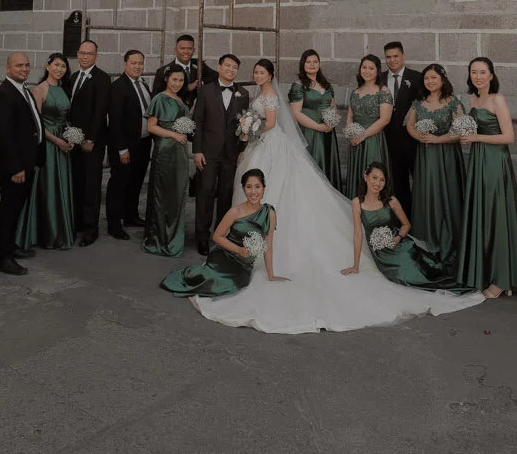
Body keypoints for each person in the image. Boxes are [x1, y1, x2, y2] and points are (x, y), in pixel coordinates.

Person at [189, 59, 484, 333]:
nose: (258, 76)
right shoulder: (251, 94)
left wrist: (250, 128)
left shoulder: (271, 96)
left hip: (270, 143)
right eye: (255, 72)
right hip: (260, 144)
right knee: (253, 191)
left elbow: (271, 122)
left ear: (271, 75)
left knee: (279, 191)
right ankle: (243, 240)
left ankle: (272, 245)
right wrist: (248, 130)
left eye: (262, 73)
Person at [456, 57, 517, 299]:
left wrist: (476, 138)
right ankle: (483, 271)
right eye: (473, 72)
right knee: (482, 213)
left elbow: (509, 137)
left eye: (482, 72)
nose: (477, 76)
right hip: (478, 160)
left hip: (495, 162)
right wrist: (467, 137)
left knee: (495, 214)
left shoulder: (497, 99)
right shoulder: (473, 99)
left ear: (491, 75)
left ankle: (501, 278)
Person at [341, 162, 469, 293]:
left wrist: (398, 237)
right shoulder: (357, 203)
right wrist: (355, 266)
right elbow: (358, 235)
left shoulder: (391, 201)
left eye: (382, 180)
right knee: (403, 275)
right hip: (382, 255)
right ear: (365, 177)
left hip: (400, 245)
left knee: (415, 267)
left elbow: (406, 225)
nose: (377, 183)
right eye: (374, 177)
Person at [160, 168, 281, 298]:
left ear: (263, 188)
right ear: (243, 189)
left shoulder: (269, 213)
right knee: (212, 278)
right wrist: (239, 250)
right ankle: (188, 276)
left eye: (257, 187)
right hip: (224, 255)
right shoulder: (235, 211)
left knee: (235, 283)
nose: (253, 192)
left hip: (243, 265)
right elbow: (217, 236)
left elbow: (268, 245)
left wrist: (271, 275)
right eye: (248, 187)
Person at [0, 52, 44, 275]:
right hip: (14, 166)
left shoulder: (24, 90)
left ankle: (10, 246)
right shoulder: (4, 94)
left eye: (27, 65)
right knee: (8, 210)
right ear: (8, 68)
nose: (24, 68)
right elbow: (5, 135)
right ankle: (3, 258)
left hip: (27, 162)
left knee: (17, 208)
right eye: (19, 65)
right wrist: (15, 168)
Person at [405, 62, 465, 263]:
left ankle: (448, 241)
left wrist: (438, 139)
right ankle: (426, 238)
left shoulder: (453, 102)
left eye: (434, 78)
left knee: (446, 193)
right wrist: (420, 137)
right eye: (426, 78)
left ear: (442, 79)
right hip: (425, 155)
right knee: (426, 192)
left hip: (447, 155)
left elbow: (460, 130)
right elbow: (410, 125)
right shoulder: (418, 102)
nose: (430, 81)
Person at [190, 54, 249, 256]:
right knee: (205, 192)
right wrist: (197, 150)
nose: (231, 70)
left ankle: (221, 235)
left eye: (235, 67)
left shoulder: (243, 93)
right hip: (208, 151)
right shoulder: (205, 90)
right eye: (227, 66)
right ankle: (202, 236)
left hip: (231, 153)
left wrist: (242, 149)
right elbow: (198, 121)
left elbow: (245, 124)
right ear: (219, 67)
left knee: (226, 194)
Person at [17, 53, 76, 251]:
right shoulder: (40, 89)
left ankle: (60, 230)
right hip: (49, 143)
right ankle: (47, 233)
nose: (60, 69)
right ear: (48, 66)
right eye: (56, 65)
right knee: (48, 184)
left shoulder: (64, 89)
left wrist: (71, 136)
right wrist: (58, 141)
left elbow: (66, 118)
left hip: (63, 142)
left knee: (61, 185)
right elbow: (37, 124)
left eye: (63, 66)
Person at [63, 40, 110, 247]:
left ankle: (91, 229)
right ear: (77, 53)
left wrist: (90, 138)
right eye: (82, 53)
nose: (85, 57)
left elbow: (100, 110)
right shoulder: (73, 77)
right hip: (73, 139)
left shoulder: (102, 78)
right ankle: (77, 223)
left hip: (92, 141)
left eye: (89, 54)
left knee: (91, 184)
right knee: (77, 181)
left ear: (96, 56)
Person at [143, 64, 193, 257]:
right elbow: (151, 127)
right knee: (163, 193)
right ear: (166, 79)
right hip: (165, 150)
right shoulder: (159, 99)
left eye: (181, 80)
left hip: (180, 151)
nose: (177, 84)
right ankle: (161, 238)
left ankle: (173, 236)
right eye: (174, 80)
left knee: (177, 193)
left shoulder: (181, 99)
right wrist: (174, 134)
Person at [289, 49, 346, 193]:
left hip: (327, 133)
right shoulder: (299, 86)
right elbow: (296, 113)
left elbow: (333, 106)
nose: (312, 64)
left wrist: (331, 123)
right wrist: (318, 126)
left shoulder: (326, 85)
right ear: (303, 64)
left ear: (319, 64)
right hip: (310, 133)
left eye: (315, 61)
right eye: (308, 62)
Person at [106, 49, 149, 240]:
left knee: (136, 181)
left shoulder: (143, 84)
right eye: (134, 63)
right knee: (119, 184)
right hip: (125, 146)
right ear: (125, 64)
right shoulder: (118, 86)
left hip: (143, 142)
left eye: (140, 63)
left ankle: (131, 215)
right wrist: (122, 149)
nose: (138, 66)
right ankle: (114, 224)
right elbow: (114, 121)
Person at [382, 41, 422, 218]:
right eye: (388, 57)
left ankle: (420, 219)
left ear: (403, 56)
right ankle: (403, 221)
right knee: (398, 184)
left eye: (395, 56)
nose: (392, 60)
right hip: (389, 141)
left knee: (419, 181)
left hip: (412, 141)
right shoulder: (379, 79)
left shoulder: (417, 78)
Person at [346, 54, 394, 196]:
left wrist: (363, 135)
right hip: (356, 141)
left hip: (373, 139)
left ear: (377, 71)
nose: (367, 71)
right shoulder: (355, 91)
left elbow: (385, 119)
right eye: (364, 67)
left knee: (373, 176)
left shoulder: (383, 91)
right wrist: (351, 133)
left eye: (371, 68)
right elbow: (350, 116)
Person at [151, 33, 215, 107]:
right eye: (182, 48)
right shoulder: (162, 71)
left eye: (189, 48)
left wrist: (201, 82)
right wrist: (187, 88)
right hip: (173, 111)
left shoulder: (199, 65)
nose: (186, 52)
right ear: (175, 50)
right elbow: (156, 98)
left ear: (194, 50)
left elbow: (216, 77)